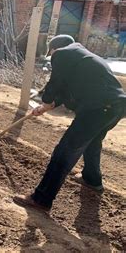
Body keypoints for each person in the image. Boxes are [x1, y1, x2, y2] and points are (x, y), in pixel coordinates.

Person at [14, 34, 126, 212]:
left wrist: (46, 100)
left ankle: (41, 199)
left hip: (97, 109)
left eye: (51, 54)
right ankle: (92, 180)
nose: (52, 58)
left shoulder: (63, 54)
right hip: (116, 107)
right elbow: (65, 91)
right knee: (93, 142)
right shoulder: (82, 58)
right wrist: (45, 106)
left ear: (55, 49)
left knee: (64, 151)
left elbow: (55, 83)